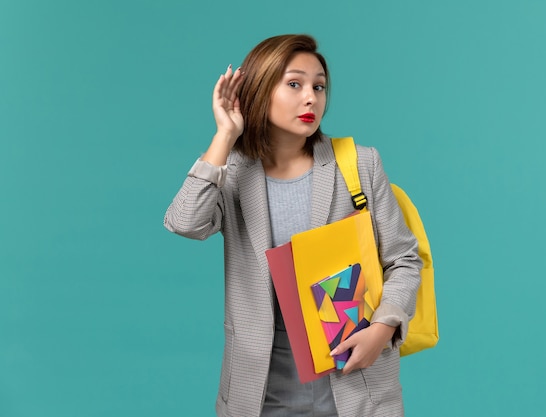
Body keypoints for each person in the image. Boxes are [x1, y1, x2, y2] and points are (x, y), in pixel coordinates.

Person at [164, 34, 421, 417]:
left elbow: (404, 260)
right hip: (260, 395)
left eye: (319, 86)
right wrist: (224, 135)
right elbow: (185, 223)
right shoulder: (231, 172)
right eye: (294, 84)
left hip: (355, 389)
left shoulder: (359, 164)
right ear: (259, 90)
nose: (311, 98)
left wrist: (383, 329)